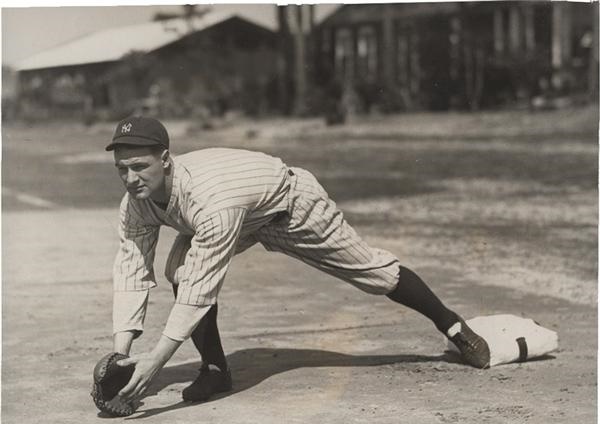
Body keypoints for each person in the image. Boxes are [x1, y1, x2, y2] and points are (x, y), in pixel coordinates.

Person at [107, 116, 490, 406]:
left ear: (166, 160)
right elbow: (131, 269)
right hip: (238, 215)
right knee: (181, 270)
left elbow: (199, 290)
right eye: (122, 169)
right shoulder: (136, 204)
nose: (130, 178)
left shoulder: (212, 199)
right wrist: (120, 354)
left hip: (291, 207)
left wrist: (156, 361)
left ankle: (452, 325)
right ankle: (215, 369)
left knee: (374, 274)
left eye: (140, 166)